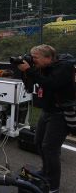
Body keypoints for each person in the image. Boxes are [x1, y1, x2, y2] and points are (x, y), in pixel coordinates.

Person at [17, 44, 75, 193]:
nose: (33, 60)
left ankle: (53, 185)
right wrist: (24, 73)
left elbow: (52, 84)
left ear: (48, 58)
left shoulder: (65, 66)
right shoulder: (43, 67)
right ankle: (45, 171)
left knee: (50, 148)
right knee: (38, 142)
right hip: (47, 110)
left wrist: (30, 70)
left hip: (61, 112)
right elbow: (30, 87)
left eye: (35, 58)